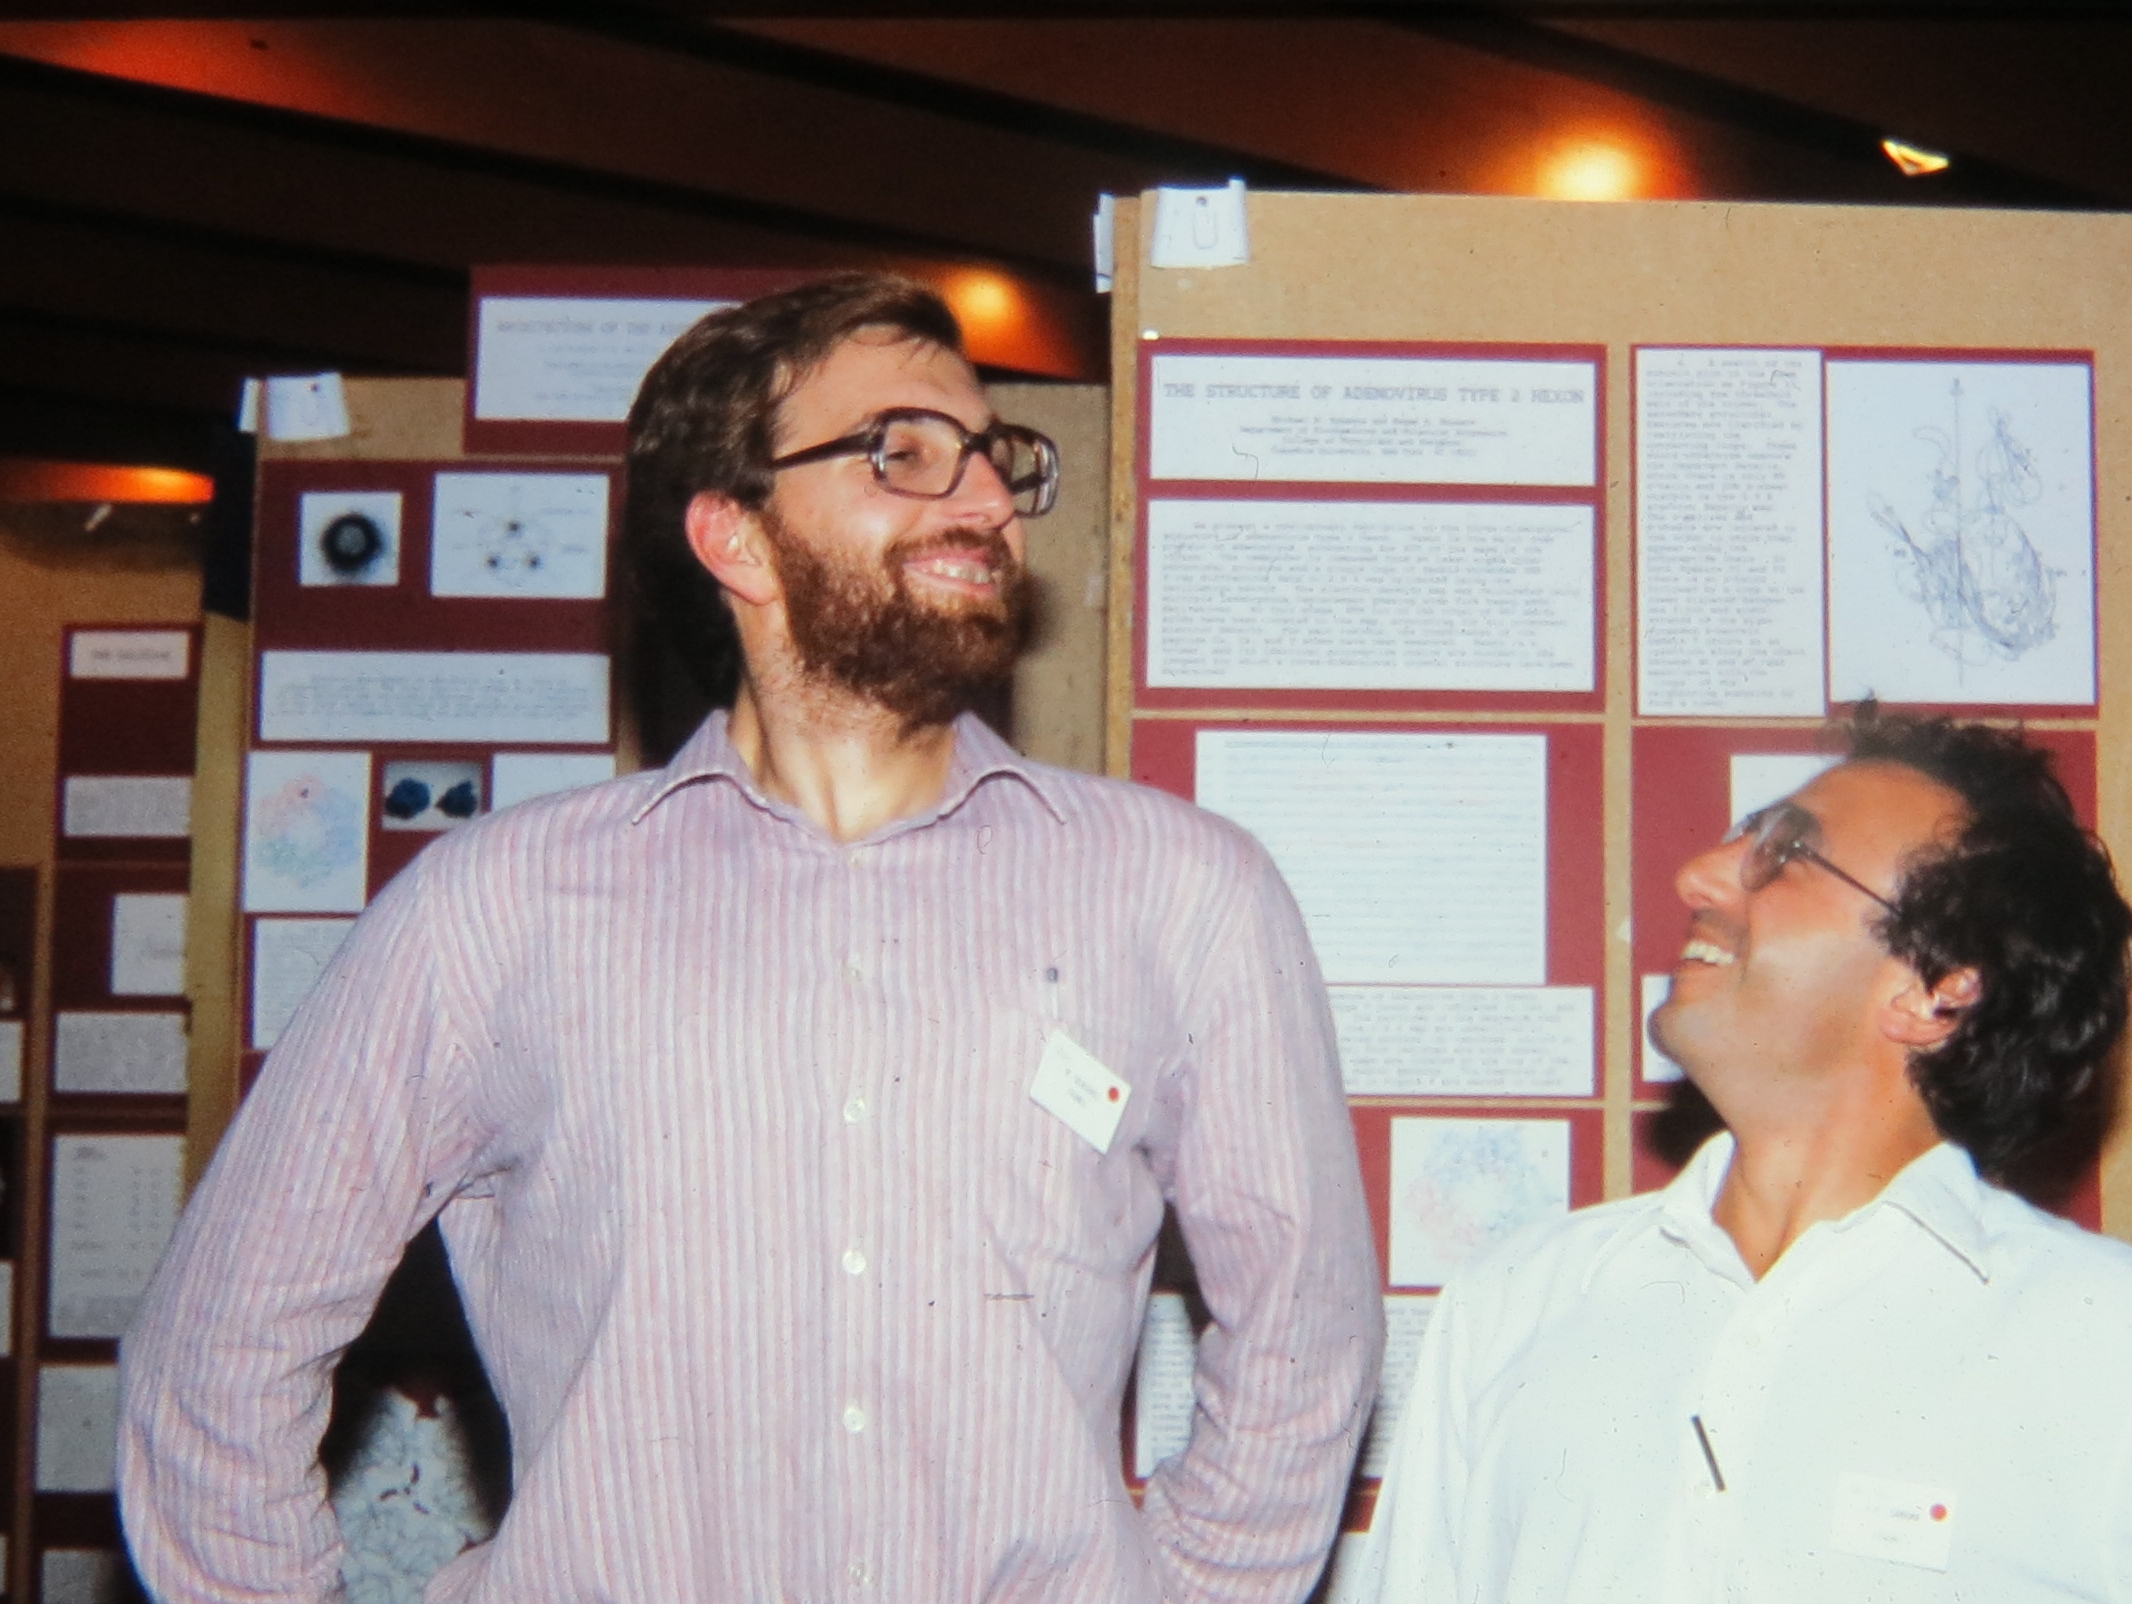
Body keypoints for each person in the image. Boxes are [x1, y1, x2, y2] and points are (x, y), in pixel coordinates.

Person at [118, 273, 1382, 1603]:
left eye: (993, 455)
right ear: (734, 536)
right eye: (905, 450)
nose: (986, 499)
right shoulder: (495, 910)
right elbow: (217, 1351)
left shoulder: (1181, 895)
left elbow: (1305, 1330)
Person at [1363, 708, 2132, 1603]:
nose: (1696, 874)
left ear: (1936, 990)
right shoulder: (1517, 1300)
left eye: (1787, 852)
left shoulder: (2101, 1340)